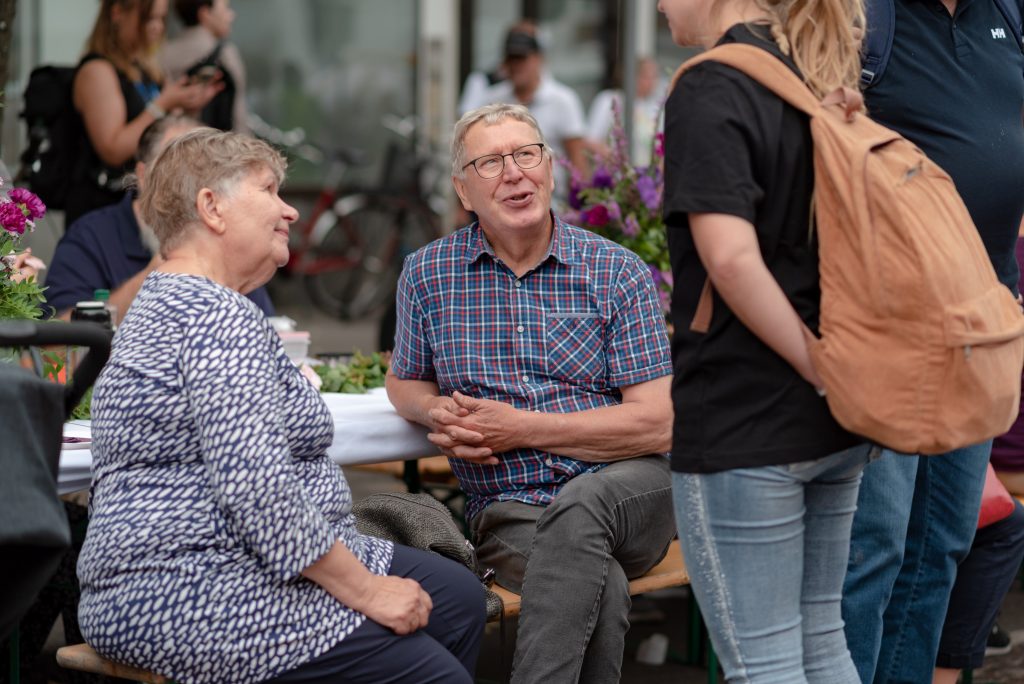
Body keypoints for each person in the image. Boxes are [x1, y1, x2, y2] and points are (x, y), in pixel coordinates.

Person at [76, 128, 485, 684]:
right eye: (269, 190)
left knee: (458, 599)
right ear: (211, 207)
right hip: (193, 585)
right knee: (436, 674)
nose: (289, 211)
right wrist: (367, 593)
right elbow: (258, 490)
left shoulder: (172, 299)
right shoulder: (213, 314)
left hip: (207, 563)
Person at [385, 103, 676, 684]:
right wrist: (432, 407)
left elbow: (660, 425)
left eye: (526, 154)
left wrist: (522, 429)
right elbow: (405, 379)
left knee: (584, 505)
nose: (514, 173)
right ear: (463, 192)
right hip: (512, 506)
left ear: (549, 168)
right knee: (605, 588)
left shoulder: (616, 271)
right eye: (490, 162)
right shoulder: (427, 274)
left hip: (631, 489)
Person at [659, 0, 872, 680]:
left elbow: (730, 259)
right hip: (833, 421)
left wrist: (816, 365)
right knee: (822, 641)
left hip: (745, 418)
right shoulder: (812, 74)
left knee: (766, 664)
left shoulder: (711, 83)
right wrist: (829, 370)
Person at [840, 0, 1024, 679]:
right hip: (893, 326)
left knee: (942, 542)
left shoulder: (1005, 10)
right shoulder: (868, 17)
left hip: (983, 321)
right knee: (876, 546)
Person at [45, 115, 274, 322]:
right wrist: (154, 277)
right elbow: (52, 349)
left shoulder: (227, 239)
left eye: (208, 174)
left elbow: (269, 332)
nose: (194, 188)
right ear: (144, 177)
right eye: (179, 175)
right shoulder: (90, 237)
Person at [68, 0, 219, 226]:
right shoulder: (97, 71)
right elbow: (113, 148)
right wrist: (163, 104)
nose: (157, 27)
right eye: (148, 18)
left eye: (162, 19)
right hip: (105, 210)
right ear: (118, 12)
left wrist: (186, 104)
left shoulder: (146, 68)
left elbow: (159, 128)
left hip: (144, 205)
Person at [475, 25, 588, 190]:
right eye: (511, 59)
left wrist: (581, 205)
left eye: (521, 58)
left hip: (552, 198)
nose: (516, 65)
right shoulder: (492, 99)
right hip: (503, 194)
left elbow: (577, 159)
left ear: (538, 59)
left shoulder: (562, 100)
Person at [160, 0, 250, 133]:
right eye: (225, 8)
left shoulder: (162, 55)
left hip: (178, 143)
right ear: (205, 13)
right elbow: (238, 118)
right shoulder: (226, 55)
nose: (231, 15)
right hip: (221, 146)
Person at [586, 56, 664, 166]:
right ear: (632, 77)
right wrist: (619, 163)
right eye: (646, 76)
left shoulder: (655, 107)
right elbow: (591, 141)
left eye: (655, 77)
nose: (652, 82)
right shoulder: (609, 99)